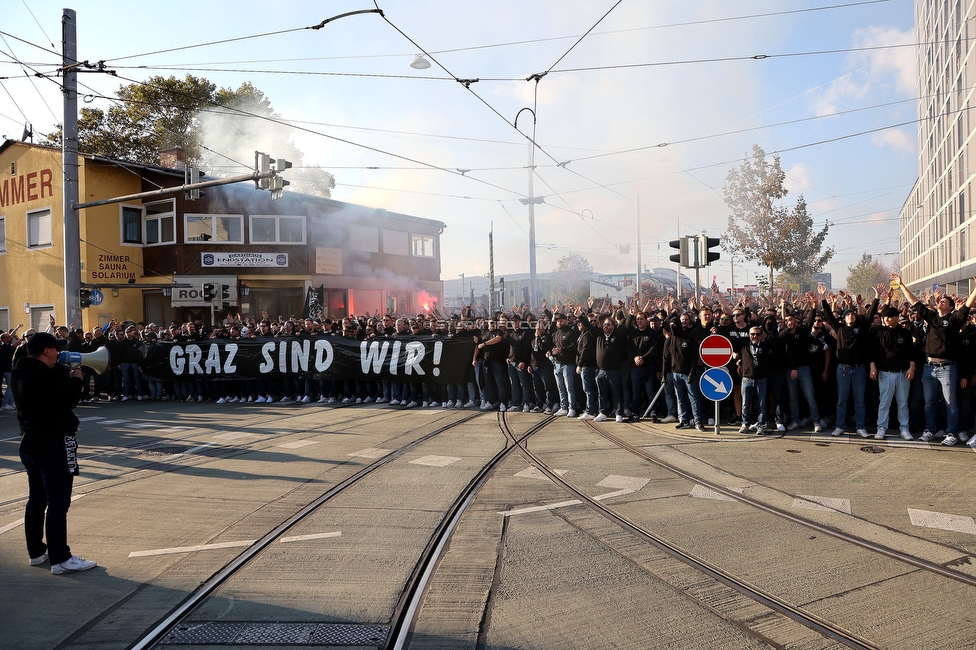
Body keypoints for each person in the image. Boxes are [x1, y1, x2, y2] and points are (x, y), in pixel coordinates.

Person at [11, 332, 96, 575]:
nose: (59, 353)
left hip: (30, 443)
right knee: (58, 503)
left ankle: (37, 552)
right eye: (55, 349)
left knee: (36, 500)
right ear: (47, 351)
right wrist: (77, 379)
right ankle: (61, 558)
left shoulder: (22, 371)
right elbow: (67, 400)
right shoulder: (42, 375)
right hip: (53, 444)